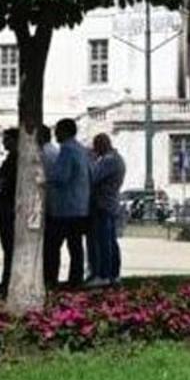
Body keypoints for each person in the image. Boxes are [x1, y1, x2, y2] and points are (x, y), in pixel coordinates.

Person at [42, 119, 91, 289]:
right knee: (75, 245)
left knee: (52, 245)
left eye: (58, 131)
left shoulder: (67, 150)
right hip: (79, 205)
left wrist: (45, 179)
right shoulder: (81, 149)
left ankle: (51, 278)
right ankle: (76, 278)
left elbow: (61, 176)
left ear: (65, 132)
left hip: (65, 207)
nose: (55, 135)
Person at [88, 133, 125, 287]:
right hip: (109, 203)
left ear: (103, 145)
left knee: (103, 241)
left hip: (103, 204)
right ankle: (113, 274)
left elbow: (93, 176)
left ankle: (104, 274)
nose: (94, 149)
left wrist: (91, 160)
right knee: (110, 240)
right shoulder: (116, 158)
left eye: (96, 146)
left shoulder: (109, 161)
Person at [0, 128, 20, 292]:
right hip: (10, 205)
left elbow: (1, 181)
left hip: (9, 206)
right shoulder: (12, 158)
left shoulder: (14, 159)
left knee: (9, 246)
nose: (4, 142)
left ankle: (8, 281)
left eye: (7, 139)